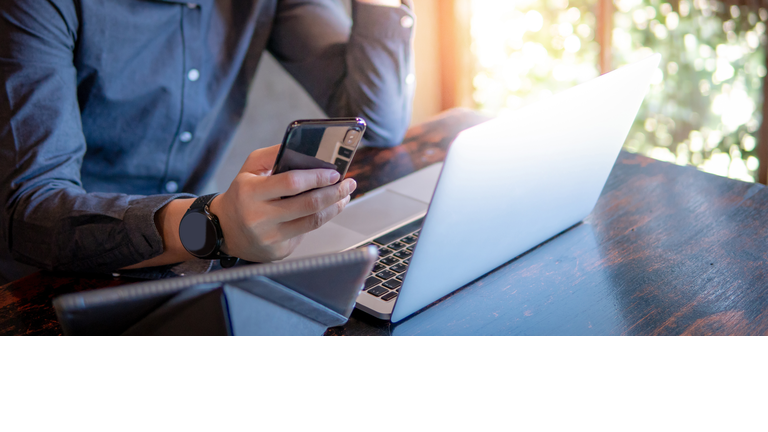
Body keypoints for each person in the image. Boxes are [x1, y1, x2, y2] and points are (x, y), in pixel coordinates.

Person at [0, 0, 415, 284]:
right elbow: (30, 212)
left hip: (182, 269)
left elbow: (375, 120)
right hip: (42, 283)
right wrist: (212, 225)